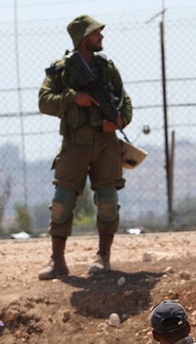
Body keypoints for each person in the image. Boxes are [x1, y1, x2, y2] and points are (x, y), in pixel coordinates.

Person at [37, 15, 133, 280]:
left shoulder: (107, 68)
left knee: (107, 200)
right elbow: (44, 102)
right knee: (62, 202)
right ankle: (57, 261)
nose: (101, 37)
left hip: (105, 143)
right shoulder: (62, 70)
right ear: (82, 39)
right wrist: (73, 97)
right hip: (74, 143)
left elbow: (125, 102)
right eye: (95, 33)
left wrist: (118, 122)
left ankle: (103, 257)